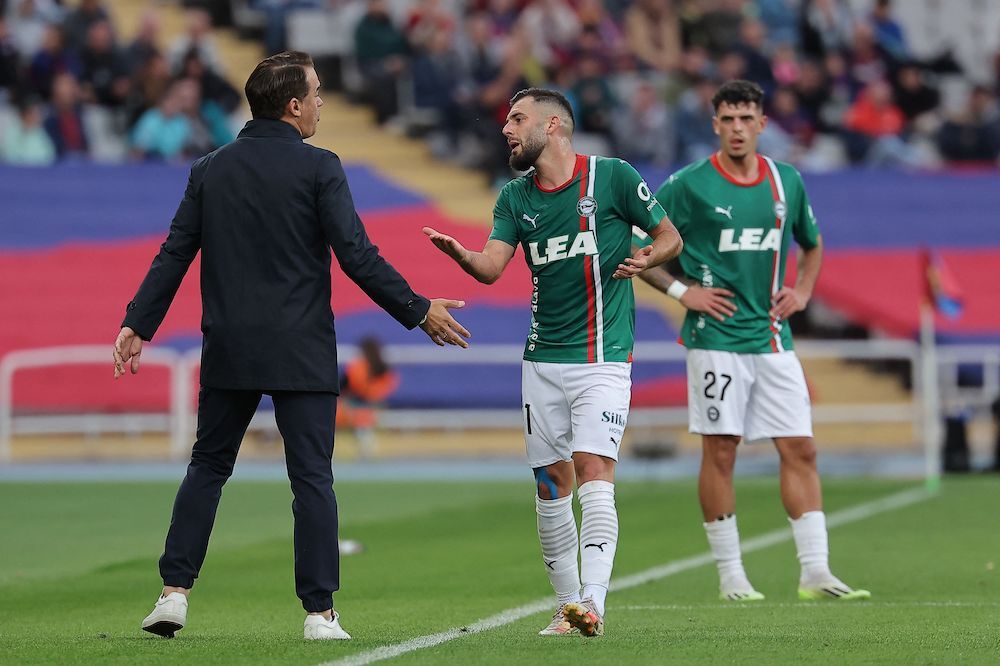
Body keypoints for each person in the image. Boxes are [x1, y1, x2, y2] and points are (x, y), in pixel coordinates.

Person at [112, 51, 470, 641]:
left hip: (229, 346)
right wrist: (417, 309)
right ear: (294, 105)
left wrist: (138, 323)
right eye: (317, 92)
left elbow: (175, 252)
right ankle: (319, 614)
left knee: (207, 467)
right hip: (301, 347)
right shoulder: (320, 167)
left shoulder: (209, 169)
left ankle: (173, 594)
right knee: (311, 479)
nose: (323, 102)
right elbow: (357, 255)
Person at [424, 88, 682, 637]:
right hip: (542, 360)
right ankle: (567, 608)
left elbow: (670, 236)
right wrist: (461, 256)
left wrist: (648, 257)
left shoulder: (612, 176)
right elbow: (492, 267)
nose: (506, 129)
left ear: (553, 125)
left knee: (593, 467)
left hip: (603, 358)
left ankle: (594, 601)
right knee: (549, 483)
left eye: (517, 119)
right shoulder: (514, 196)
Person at [638, 79, 870, 603]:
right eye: (728, 119)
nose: (737, 128)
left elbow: (812, 243)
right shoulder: (689, 185)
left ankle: (815, 573)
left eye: (746, 119)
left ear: (763, 124)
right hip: (715, 338)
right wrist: (682, 291)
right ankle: (731, 577)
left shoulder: (787, 181)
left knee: (801, 447)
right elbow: (637, 244)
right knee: (722, 451)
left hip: (772, 337)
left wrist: (803, 291)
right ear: (715, 125)